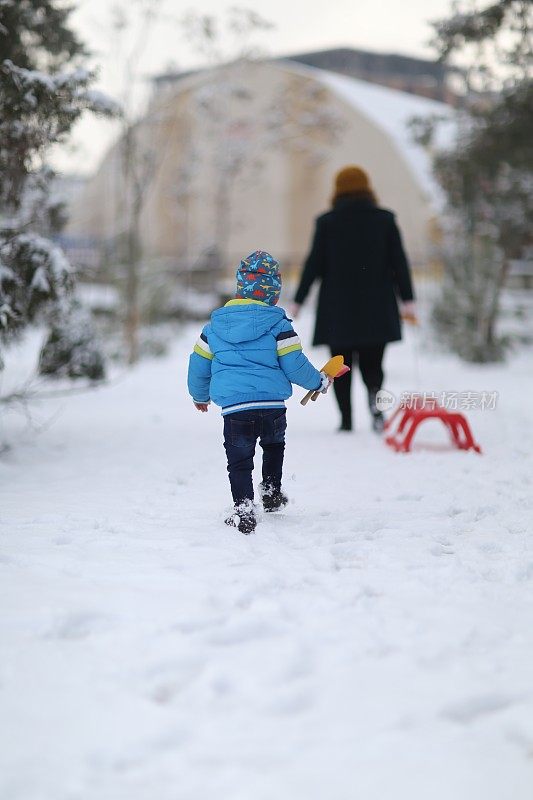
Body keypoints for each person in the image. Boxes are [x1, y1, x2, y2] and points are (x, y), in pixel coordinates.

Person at [187, 250, 331, 535]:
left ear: (240, 288)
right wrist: (318, 382)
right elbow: (294, 364)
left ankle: (243, 507)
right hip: (272, 406)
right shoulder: (278, 325)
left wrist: (200, 396)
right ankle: (271, 491)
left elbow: (198, 365)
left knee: (239, 461)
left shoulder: (214, 327)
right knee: (274, 447)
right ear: (273, 294)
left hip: (236, 411)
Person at [292, 165, 417, 433]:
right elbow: (399, 263)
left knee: (339, 365)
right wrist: (407, 299)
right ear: (367, 187)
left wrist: (298, 300)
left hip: (338, 308)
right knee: (374, 366)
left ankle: (346, 420)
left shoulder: (327, 222)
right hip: (377, 305)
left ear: (337, 189)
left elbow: (313, 264)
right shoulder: (384, 219)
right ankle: (376, 410)